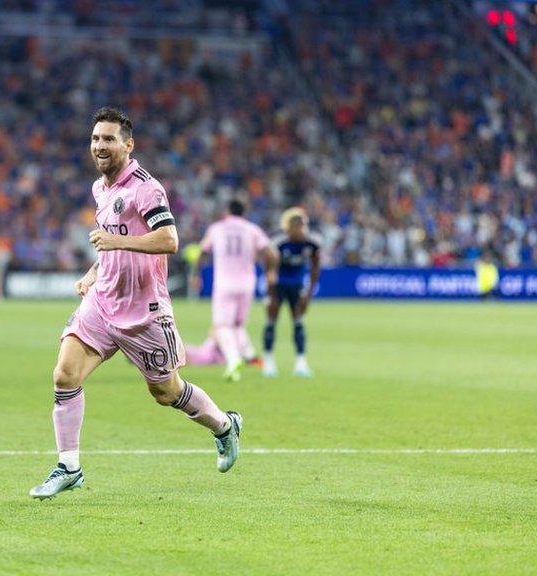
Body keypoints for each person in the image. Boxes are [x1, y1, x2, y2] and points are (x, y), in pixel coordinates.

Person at [29, 107, 243, 500]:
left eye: (108, 139)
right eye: (95, 139)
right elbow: (112, 241)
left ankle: (224, 426)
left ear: (128, 144)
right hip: (102, 302)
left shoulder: (147, 188)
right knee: (64, 376)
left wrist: (116, 243)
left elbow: (168, 240)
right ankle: (69, 466)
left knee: (165, 392)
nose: (100, 146)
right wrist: (94, 273)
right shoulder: (100, 188)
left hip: (144, 312)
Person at [198, 199, 278, 381]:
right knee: (237, 325)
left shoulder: (217, 228)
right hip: (247, 283)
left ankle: (233, 359)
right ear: (244, 213)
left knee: (222, 326)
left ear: (227, 211)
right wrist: (271, 272)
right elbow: (271, 253)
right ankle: (249, 355)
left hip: (225, 283)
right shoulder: (252, 229)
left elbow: (203, 251)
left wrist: (196, 274)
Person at [263, 207, 321, 377]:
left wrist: (309, 294)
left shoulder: (312, 243)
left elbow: (316, 266)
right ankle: (268, 361)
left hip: (297, 286)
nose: (304, 229)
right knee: (271, 321)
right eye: (300, 225)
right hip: (279, 285)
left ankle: (301, 363)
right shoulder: (279, 243)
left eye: (305, 225)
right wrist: (270, 292)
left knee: (298, 322)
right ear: (290, 227)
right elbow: (269, 269)